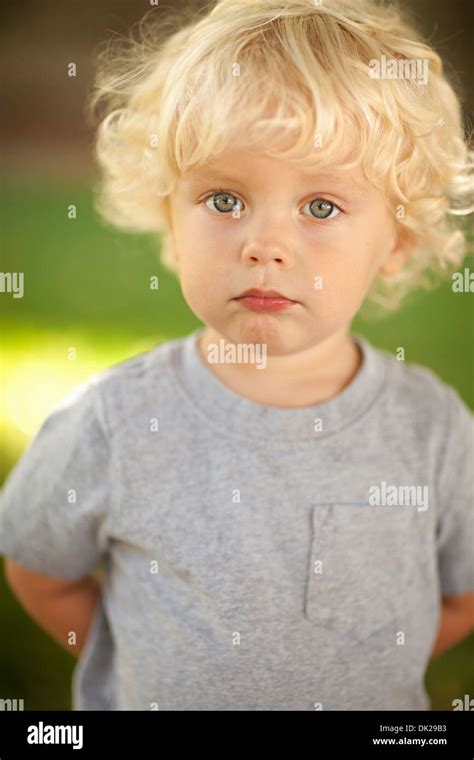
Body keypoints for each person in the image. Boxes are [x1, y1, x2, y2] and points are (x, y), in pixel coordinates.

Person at [1, 0, 473, 710]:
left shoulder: (431, 429)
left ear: (397, 241)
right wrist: (136, 657)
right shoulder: (114, 420)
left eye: (321, 206)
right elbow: (40, 570)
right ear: (170, 215)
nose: (264, 244)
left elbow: (461, 597)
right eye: (224, 199)